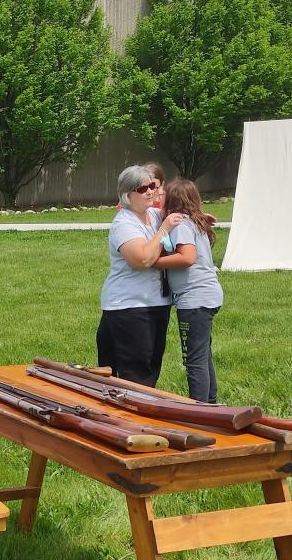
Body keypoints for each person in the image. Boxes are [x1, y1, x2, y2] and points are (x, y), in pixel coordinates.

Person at [96, 165, 184, 385]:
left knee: (151, 368)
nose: (150, 191)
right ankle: (130, 417)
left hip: (156, 304)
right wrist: (163, 230)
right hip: (128, 307)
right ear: (127, 196)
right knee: (135, 374)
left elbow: (182, 216)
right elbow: (141, 260)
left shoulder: (154, 215)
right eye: (143, 188)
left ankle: (141, 413)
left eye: (152, 186)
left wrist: (199, 218)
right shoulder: (124, 224)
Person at [153, 178, 223, 403]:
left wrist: (153, 261)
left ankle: (200, 410)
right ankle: (210, 404)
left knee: (193, 359)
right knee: (203, 355)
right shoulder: (195, 222)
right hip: (208, 296)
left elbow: (187, 257)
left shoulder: (181, 225)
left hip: (194, 300)